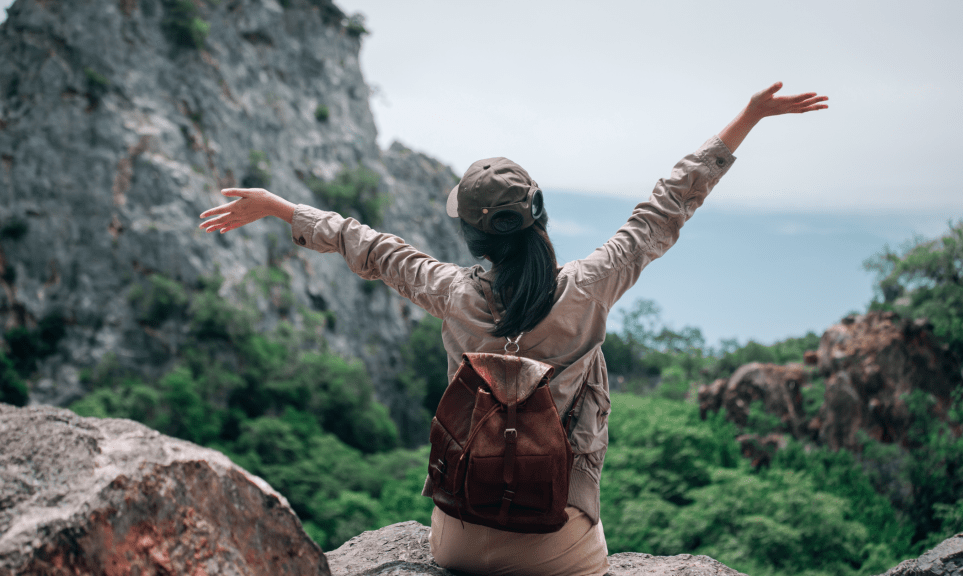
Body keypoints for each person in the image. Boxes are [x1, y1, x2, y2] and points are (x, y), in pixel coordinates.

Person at [199, 81, 828, 576]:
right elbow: (665, 207)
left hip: (458, 542)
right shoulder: (591, 286)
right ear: (540, 217)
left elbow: (369, 245)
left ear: (471, 235)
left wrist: (280, 207)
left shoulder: (449, 292)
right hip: (561, 549)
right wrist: (748, 116)